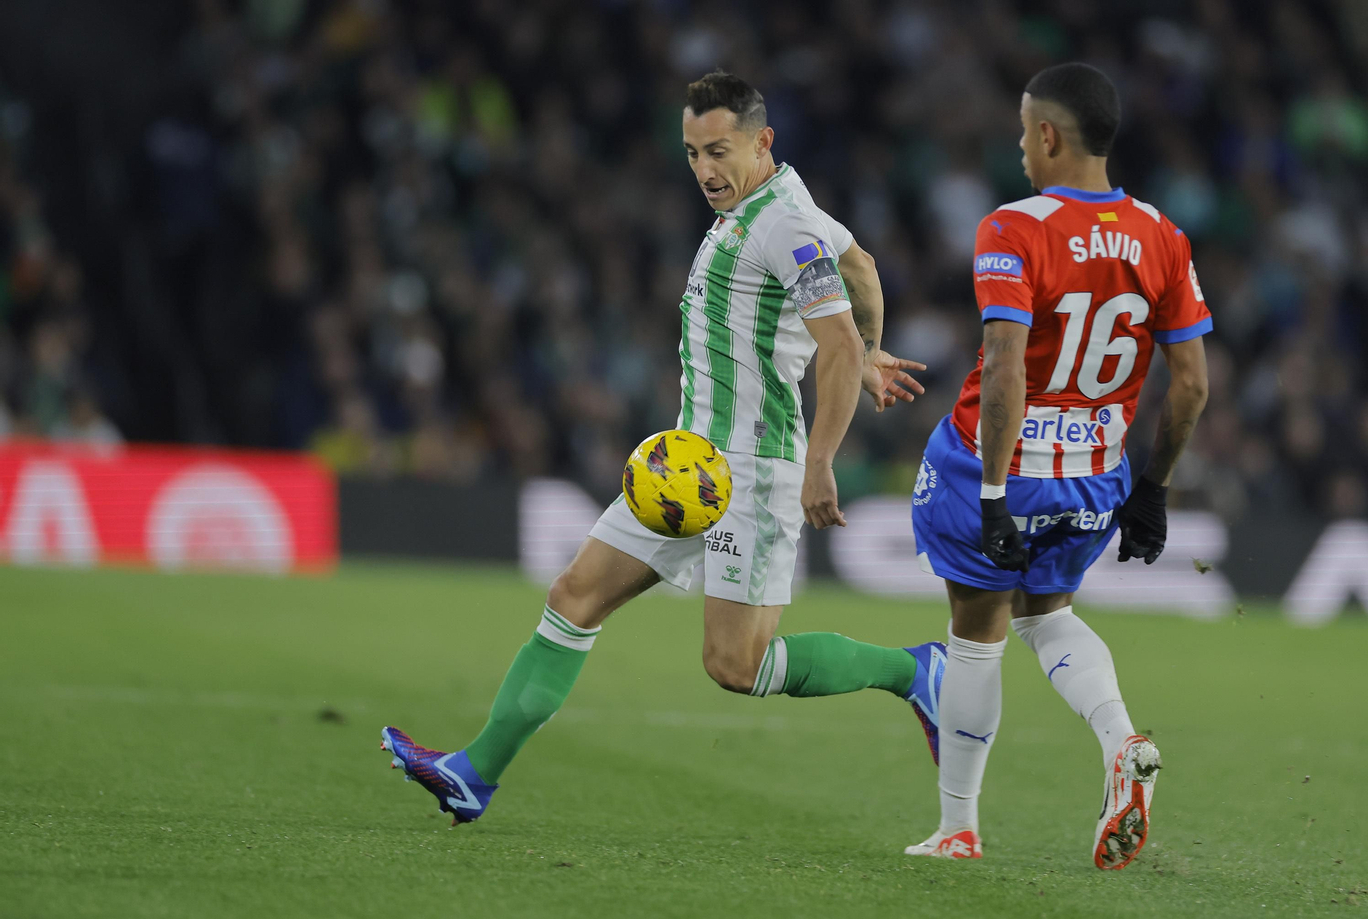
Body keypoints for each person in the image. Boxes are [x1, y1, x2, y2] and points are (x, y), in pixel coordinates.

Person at [380, 71, 946, 825]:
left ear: (761, 141)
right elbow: (863, 268)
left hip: (751, 472)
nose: (704, 170)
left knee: (736, 665)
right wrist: (875, 344)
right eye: (690, 153)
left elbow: (836, 342)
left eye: (718, 151)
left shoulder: (786, 225)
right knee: (573, 598)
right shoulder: (758, 208)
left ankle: (915, 670)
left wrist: (825, 446)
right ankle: (472, 773)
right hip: (686, 468)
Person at [904, 62, 1211, 867]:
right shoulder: (1162, 235)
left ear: (1048, 134)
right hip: (1096, 473)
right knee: (1047, 614)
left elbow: (1007, 364)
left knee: (977, 636)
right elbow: (1192, 383)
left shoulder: (1014, 226)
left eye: (1022, 128)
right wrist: (1153, 488)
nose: (1018, 143)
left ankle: (959, 827)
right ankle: (1120, 740)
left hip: (998, 463)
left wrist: (997, 492)